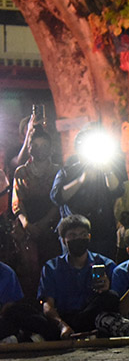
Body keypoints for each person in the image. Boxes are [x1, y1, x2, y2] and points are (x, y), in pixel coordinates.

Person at [50, 126, 127, 260]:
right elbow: (57, 197)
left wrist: (107, 170)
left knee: (102, 271)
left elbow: (117, 190)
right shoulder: (67, 172)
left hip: (102, 232)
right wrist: (81, 180)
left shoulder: (110, 169)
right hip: (75, 233)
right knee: (74, 271)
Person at [37, 215, 118, 339]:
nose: (79, 238)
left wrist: (105, 289)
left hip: (92, 316)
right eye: (73, 235)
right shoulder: (52, 267)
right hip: (63, 318)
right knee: (26, 314)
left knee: (110, 297)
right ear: (64, 240)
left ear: (89, 237)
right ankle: (77, 332)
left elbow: (119, 302)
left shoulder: (105, 264)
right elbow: (48, 306)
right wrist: (62, 325)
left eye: (83, 234)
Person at [11, 124, 61, 298]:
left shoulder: (58, 171)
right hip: (27, 226)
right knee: (29, 267)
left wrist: (44, 222)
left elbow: (59, 201)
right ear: (29, 148)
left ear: (51, 149)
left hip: (52, 225)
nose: (40, 150)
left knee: (52, 264)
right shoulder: (21, 172)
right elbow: (17, 203)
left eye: (44, 146)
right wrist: (26, 224)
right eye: (36, 146)